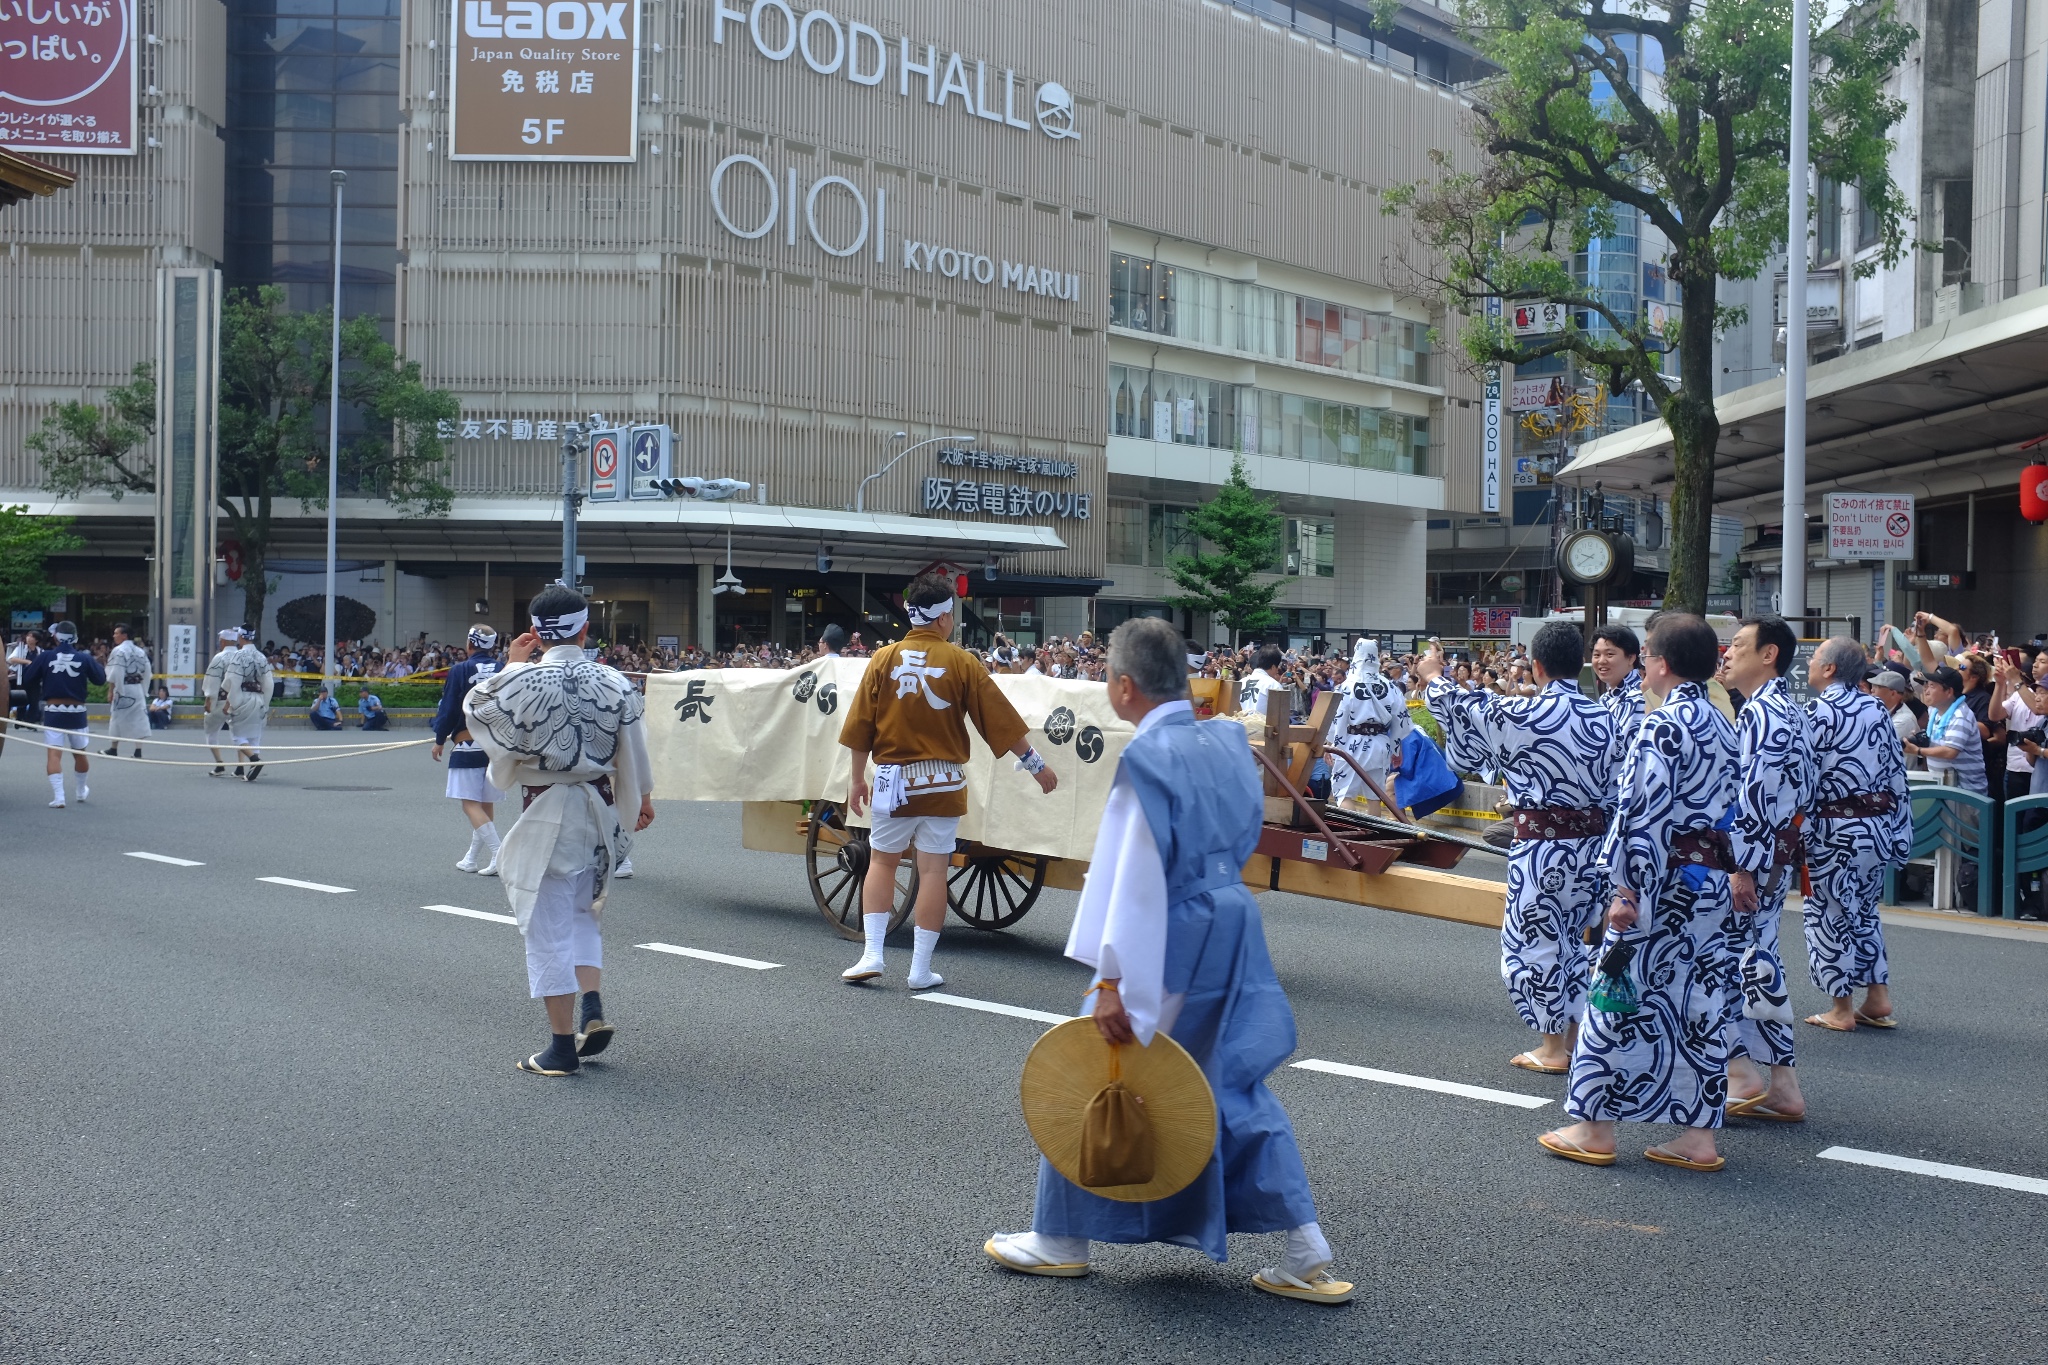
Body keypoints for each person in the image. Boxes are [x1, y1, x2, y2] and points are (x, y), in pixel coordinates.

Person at [984, 618, 1353, 1304]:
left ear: (1123, 687)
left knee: (1098, 1067)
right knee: (1230, 1077)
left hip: (1172, 923)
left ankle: (1060, 1236)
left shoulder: (1146, 759)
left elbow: (1135, 875)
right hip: (1230, 915)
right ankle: (1304, 1243)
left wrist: (1113, 979)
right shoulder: (1225, 739)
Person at [1540, 615, 1740, 1172]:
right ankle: (1699, 1136)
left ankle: (1593, 1125)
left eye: (1648, 652)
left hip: (1659, 886)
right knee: (1699, 1003)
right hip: (1708, 886)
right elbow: (1737, 812)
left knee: (1614, 995)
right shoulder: (1725, 723)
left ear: (1661, 663)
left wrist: (1624, 887)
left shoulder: (1663, 726)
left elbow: (1640, 813)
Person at [465, 584, 654, 1076]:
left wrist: (511, 663)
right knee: (583, 915)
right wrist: (643, 798)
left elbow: (477, 707)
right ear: (586, 629)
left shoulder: (519, 681)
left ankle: (561, 1047)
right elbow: (635, 748)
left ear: (535, 633)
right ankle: (591, 1003)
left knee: (546, 926)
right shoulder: (614, 680)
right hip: (598, 806)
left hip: (545, 809)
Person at [837, 570, 1057, 990]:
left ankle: (872, 954)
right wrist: (1035, 764)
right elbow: (999, 721)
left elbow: (859, 726)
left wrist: (855, 780)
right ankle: (920, 969)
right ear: (942, 618)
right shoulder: (962, 661)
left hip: (893, 781)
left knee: (882, 861)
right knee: (934, 871)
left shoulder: (883, 659)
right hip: (943, 783)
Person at [1421, 622, 1615, 1075]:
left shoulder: (1523, 714)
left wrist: (1432, 675)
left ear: (1537, 665)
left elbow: (1462, 705)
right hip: (1593, 848)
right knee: (1576, 941)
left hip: (1543, 849)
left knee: (1538, 943)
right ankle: (1568, 1039)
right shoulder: (1606, 717)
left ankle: (1552, 1047)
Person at [1716, 617, 1817, 1122]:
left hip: (1756, 861)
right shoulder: (1783, 709)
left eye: (1737, 646)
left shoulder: (1764, 714)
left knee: (1723, 964)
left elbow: (1755, 798)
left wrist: (1742, 868)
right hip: (1776, 856)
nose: (1728, 655)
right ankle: (1780, 1083)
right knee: (1758, 962)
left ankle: (1744, 1072)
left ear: (1769, 654)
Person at [1799, 642, 1915, 1031]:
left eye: (1815, 661)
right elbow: (1896, 771)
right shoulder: (1875, 708)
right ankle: (1877, 997)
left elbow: (1804, 778)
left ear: (1829, 669)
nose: (1810, 665)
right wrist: (1900, 829)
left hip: (1833, 829)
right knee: (1864, 910)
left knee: (1828, 912)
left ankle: (1841, 1008)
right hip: (1876, 826)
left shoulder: (1818, 710)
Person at [433, 625, 507, 877]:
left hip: (467, 741)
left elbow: (450, 707)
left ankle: (499, 853)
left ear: (470, 643)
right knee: (485, 802)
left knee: (470, 804)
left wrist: (439, 738)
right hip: (496, 745)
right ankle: (472, 857)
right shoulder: (503, 670)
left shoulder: (460, 670)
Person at [25, 621, 106, 808]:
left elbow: (29, 677)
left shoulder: (46, 656)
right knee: (79, 753)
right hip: (77, 710)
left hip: (54, 710)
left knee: (54, 754)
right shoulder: (83, 658)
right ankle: (80, 790)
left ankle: (59, 797)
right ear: (75, 637)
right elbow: (100, 679)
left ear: (55, 636)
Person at [1327, 638, 1413, 814]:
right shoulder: (1390, 686)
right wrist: (1397, 748)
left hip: (1352, 742)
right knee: (1374, 797)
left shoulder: (1346, 686)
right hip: (1380, 744)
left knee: (1344, 794)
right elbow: (1400, 720)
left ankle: (1351, 836)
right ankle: (1373, 837)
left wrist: (1331, 744)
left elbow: (1338, 718)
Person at [204, 627, 274, 781]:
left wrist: (229, 702)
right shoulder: (261, 657)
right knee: (254, 735)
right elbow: (268, 682)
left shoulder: (238, 655)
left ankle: (254, 761)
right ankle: (247, 767)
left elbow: (231, 681)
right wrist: (265, 701)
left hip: (241, 697)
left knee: (238, 736)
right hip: (258, 697)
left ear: (241, 637)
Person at [1590, 623, 1644, 754]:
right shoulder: (1606, 698)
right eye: (1596, 655)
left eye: (1609, 654)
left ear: (1631, 658)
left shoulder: (1639, 698)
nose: (1601, 661)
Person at [103, 623, 152, 758]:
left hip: (123, 687)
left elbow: (115, 673)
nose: (114, 636)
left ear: (124, 635)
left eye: (116, 633)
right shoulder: (140, 651)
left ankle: (114, 748)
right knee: (139, 718)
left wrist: (113, 690)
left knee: (116, 717)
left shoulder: (119, 651)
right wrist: (144, 688)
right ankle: (138, 750)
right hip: (137, 688)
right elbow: (147, 671)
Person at [200, 627, 241, 775]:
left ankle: (219, 764)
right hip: (241, 701)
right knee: (238, 735)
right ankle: (240, 767)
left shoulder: (219, 657)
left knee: (211, 733)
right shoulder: (242, 656)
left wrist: (209, 699)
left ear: (223, 641)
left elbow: (212, 681)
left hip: (221, 701)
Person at [1867, 669, 1923, 771]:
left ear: (1893, 693)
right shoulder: (1884, 711)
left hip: (1902, 781)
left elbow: (1873, 751)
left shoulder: (1904, 720)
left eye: (1877, 687)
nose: (1872, 690)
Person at [1235, 643, 1293, 721]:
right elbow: (1280, 716)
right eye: (1277, 668)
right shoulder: (1273, 685)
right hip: (1262, 730)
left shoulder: (1241, 682)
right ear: (1273, 667)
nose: (1276, 671)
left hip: (1239, 728)